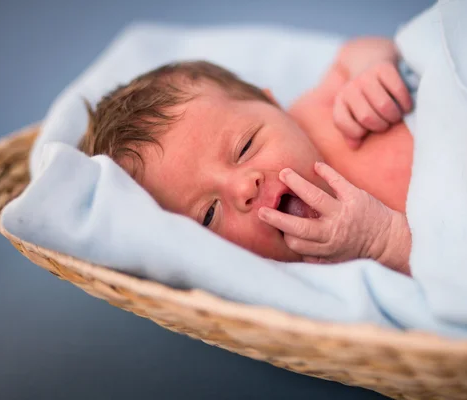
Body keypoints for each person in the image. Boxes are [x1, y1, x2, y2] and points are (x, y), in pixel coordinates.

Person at [79, 37, 414, 275]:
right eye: (209, 214)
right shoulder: (319, 271)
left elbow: (359, 51)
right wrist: (384, 241)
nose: (243, 188)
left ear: (273, 105)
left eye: (245, 147)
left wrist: (370, 69)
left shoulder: (317, 108)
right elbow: (456, 274)